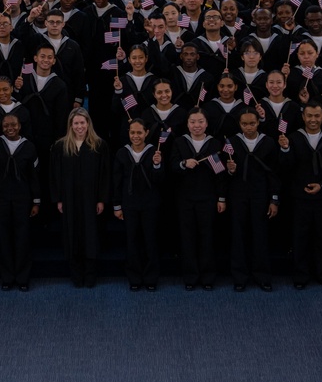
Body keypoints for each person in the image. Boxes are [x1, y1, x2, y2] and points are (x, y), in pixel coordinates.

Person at [278, 100, 322, 290]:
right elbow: (286, 167)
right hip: (300, 198)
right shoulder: (292, 138)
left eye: (317, 116)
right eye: (309, 116)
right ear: (303, 117)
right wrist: (285, 149)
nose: (313, 120)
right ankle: (301, 276)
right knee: (300, 237)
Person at [50, 108, 110, 288]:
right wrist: (59, 199)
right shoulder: (60, 146)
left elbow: (105, 174)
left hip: (91, 199)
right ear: (70, 125)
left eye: (82, 123)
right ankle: (76, 274)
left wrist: (101, 199)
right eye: (76, 123)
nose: (79, 126)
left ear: (88, 124)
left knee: (90, 235)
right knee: (72, 234)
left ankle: (90, 274)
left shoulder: (99, 145)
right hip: (69, 198)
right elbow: (55, 174)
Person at [169, 107, 226, 290]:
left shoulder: (214, 144)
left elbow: (220, 174)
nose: (197, 125)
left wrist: (221, 198)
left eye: (200, 121)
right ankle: (190, 277)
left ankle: (208, 277)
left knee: (207, 237)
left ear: (207, 123)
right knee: (187, 238)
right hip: (185, 198)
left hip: (207, 198)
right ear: (187, 124)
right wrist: (184, 164)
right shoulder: (179, 142)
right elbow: (171, 167)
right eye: (193, 122)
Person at [225, 110, 280, 292]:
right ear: (239, 125)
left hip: (260, 195)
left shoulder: (269, 142)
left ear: (258, 123)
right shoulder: (231, 143)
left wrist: (274, 200)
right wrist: (230, 170)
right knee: (238, 237)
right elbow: (223, 174)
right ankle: (239, 277)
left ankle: (262, 276)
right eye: (244, 124)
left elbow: (274, 173)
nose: (248, 128)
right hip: (238, 195)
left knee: (260, 236)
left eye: (252, 124)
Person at [0, 113, 41, 291]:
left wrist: (36, 201)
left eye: (13, 125)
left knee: (22, 238)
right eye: (6, 126)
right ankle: (7, 277)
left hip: (22, 199)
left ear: (19, 126)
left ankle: (23, 278)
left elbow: (34, 177)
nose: (10, 129)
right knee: (4, 238)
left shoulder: (29, 146)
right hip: (1, 198)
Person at [112, 118, 164, 291]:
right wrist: (117, 206)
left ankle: (151, 278)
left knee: (150, 240)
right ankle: (134, 277)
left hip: (150, 204)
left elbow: (160, 181)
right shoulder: (121, 153)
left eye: (139, 132)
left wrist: (157, 165)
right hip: (130, 204)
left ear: (146, 133)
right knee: (132, 241)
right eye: (132, 132)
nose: (136, 136)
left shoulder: (153, 152)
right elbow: (117, 182)